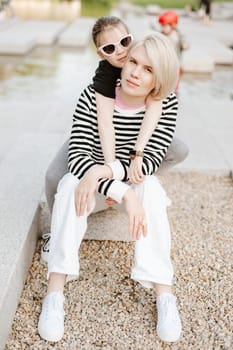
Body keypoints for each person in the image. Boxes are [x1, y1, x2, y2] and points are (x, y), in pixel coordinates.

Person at [38, 32, 182, 343]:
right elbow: (77, 154)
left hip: (121, 178)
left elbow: (152, 158)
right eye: (133, 62)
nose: (134, 73)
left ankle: (164, 294)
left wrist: (110, 173)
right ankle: (55, 292)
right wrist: (122, 191)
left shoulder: (165, 103)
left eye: (148, 69)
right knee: (68, 184)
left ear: (161, 77)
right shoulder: (93, 96)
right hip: (96, 187)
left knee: (153, 190)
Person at [41, 16, 189, 261]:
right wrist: (111, 178)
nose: (120, 52)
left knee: (178, 148)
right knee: (55, 176)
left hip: (134, 135)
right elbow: (105, 124)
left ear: (131, 38)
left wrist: (138, 155)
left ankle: (136, 175)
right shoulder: (105, 78)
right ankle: (53, 233)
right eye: (110, 48)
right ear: (101, 54)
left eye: (124, 42)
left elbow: (157, 105)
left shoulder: (147, 58)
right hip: (97, 131)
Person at [158, 10, 189, 92]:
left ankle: (174, 93)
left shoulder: (178, 35)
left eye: (165, 26)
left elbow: (185, 43)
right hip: (164, 64)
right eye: (162, 26)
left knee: (175, 84)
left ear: (173, 25)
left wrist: (185, 45)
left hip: (176, 64)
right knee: (163, 81)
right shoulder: (161, 35)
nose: (163, 28)